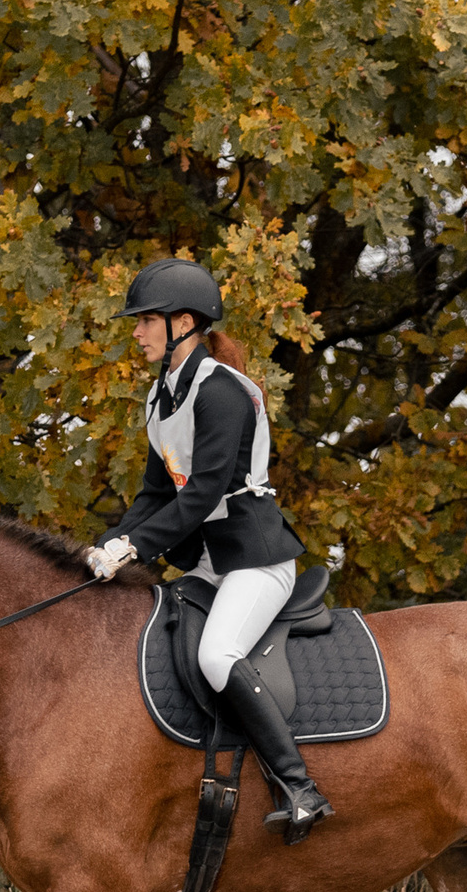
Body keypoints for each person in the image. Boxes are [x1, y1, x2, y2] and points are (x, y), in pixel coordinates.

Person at [84, 259, 335, 843]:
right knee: (159, 632)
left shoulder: (221, 392)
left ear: (184, 323)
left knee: (217, 656)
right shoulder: (161, 397)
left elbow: (202, 494)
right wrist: (106, 545)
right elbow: (155, 493)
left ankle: (300, 787)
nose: (137, 332)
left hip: (256, 560)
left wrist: (133, 549)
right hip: (209, 563)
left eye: (146, 321)